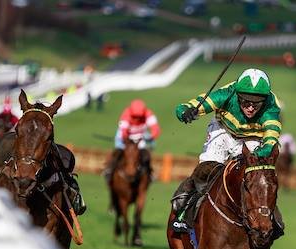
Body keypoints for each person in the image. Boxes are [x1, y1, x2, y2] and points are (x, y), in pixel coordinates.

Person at [170, 67, 283, 235]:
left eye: (256, 103)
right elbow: (203, 103)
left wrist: (267, 148)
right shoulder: (227, 93)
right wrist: (186, 110)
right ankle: (184, 211)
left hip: (252, 137)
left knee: (259, 175)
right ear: (237, 95)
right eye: (245, 102)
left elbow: (272, 133)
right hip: (223, 131)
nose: (250, 108)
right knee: (206, 170)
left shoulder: (271, 104)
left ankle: (271, 216)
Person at [103, 99, 161, 183]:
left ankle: (150, 172)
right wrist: (129, 142)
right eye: (135, 116)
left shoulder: (149, 114)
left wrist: (150, 137)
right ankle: (109, 170)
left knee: (145, 154)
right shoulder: (126, 114)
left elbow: (156, 129)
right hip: (126, 137)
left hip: (140, 136)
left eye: (139, 117)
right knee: (118, 151)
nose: (137, 119)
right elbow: (124, 132)